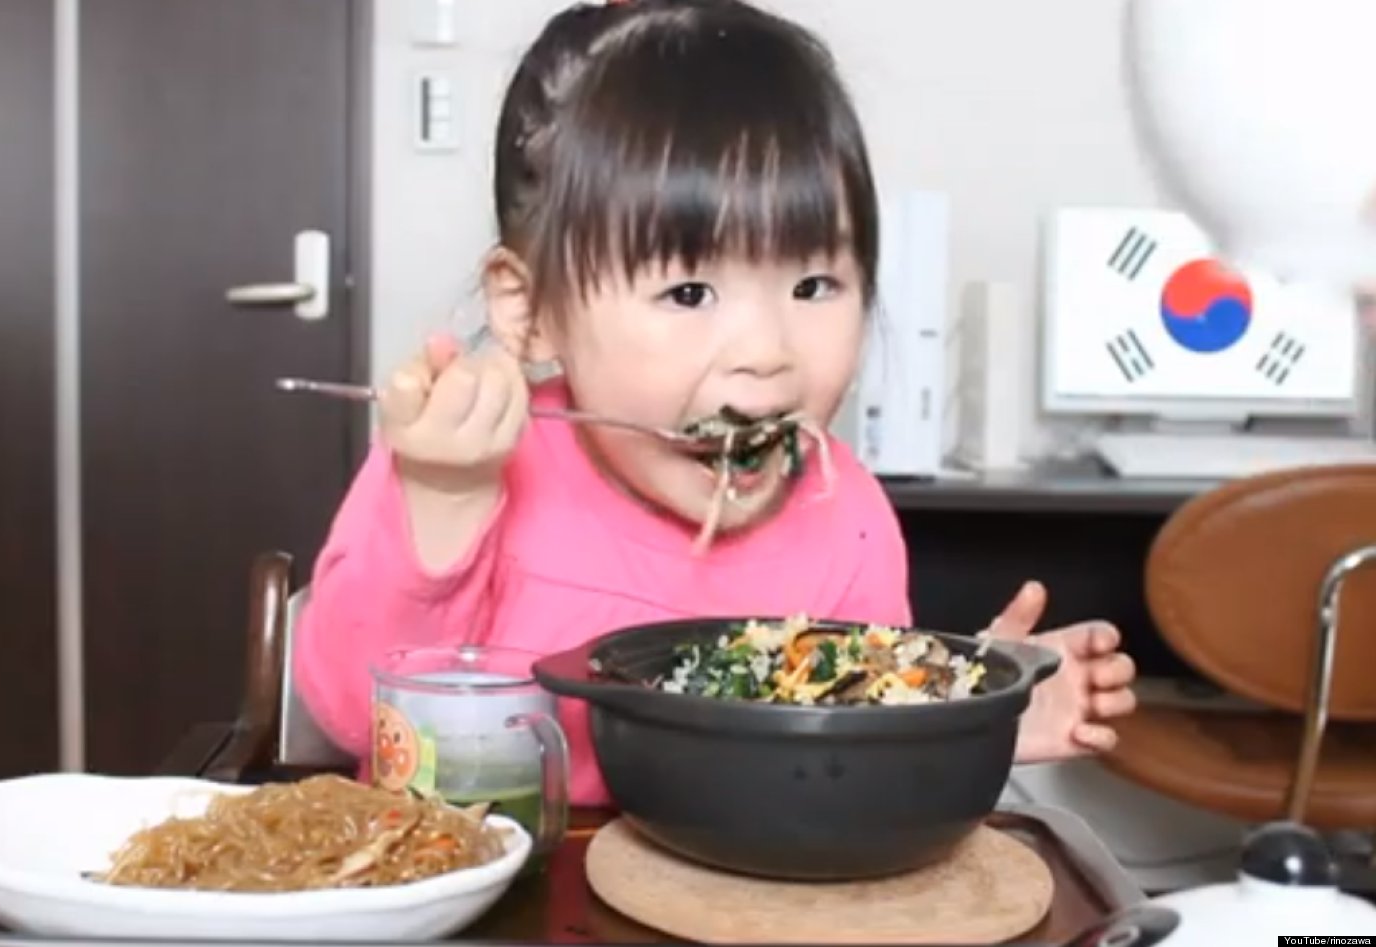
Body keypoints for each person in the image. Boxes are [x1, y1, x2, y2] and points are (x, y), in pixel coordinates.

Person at [293, 0, 1137, 806]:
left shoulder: (846, 517)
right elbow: (347, 709)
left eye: (814, 283)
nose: (768, 353)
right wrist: (445, 498)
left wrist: (968, 711)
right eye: (690, 292)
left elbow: (844, 760)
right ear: (531, 309)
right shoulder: (456, 464)